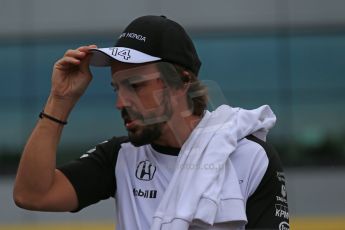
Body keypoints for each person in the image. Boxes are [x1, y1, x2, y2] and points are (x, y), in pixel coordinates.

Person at [13, 15, 289, 230]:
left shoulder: (251, 157)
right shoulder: (120, 156)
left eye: (135, 86)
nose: (120, 103)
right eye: (116, 89)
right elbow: (32, 195)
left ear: (183, 82)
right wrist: (60, 100)